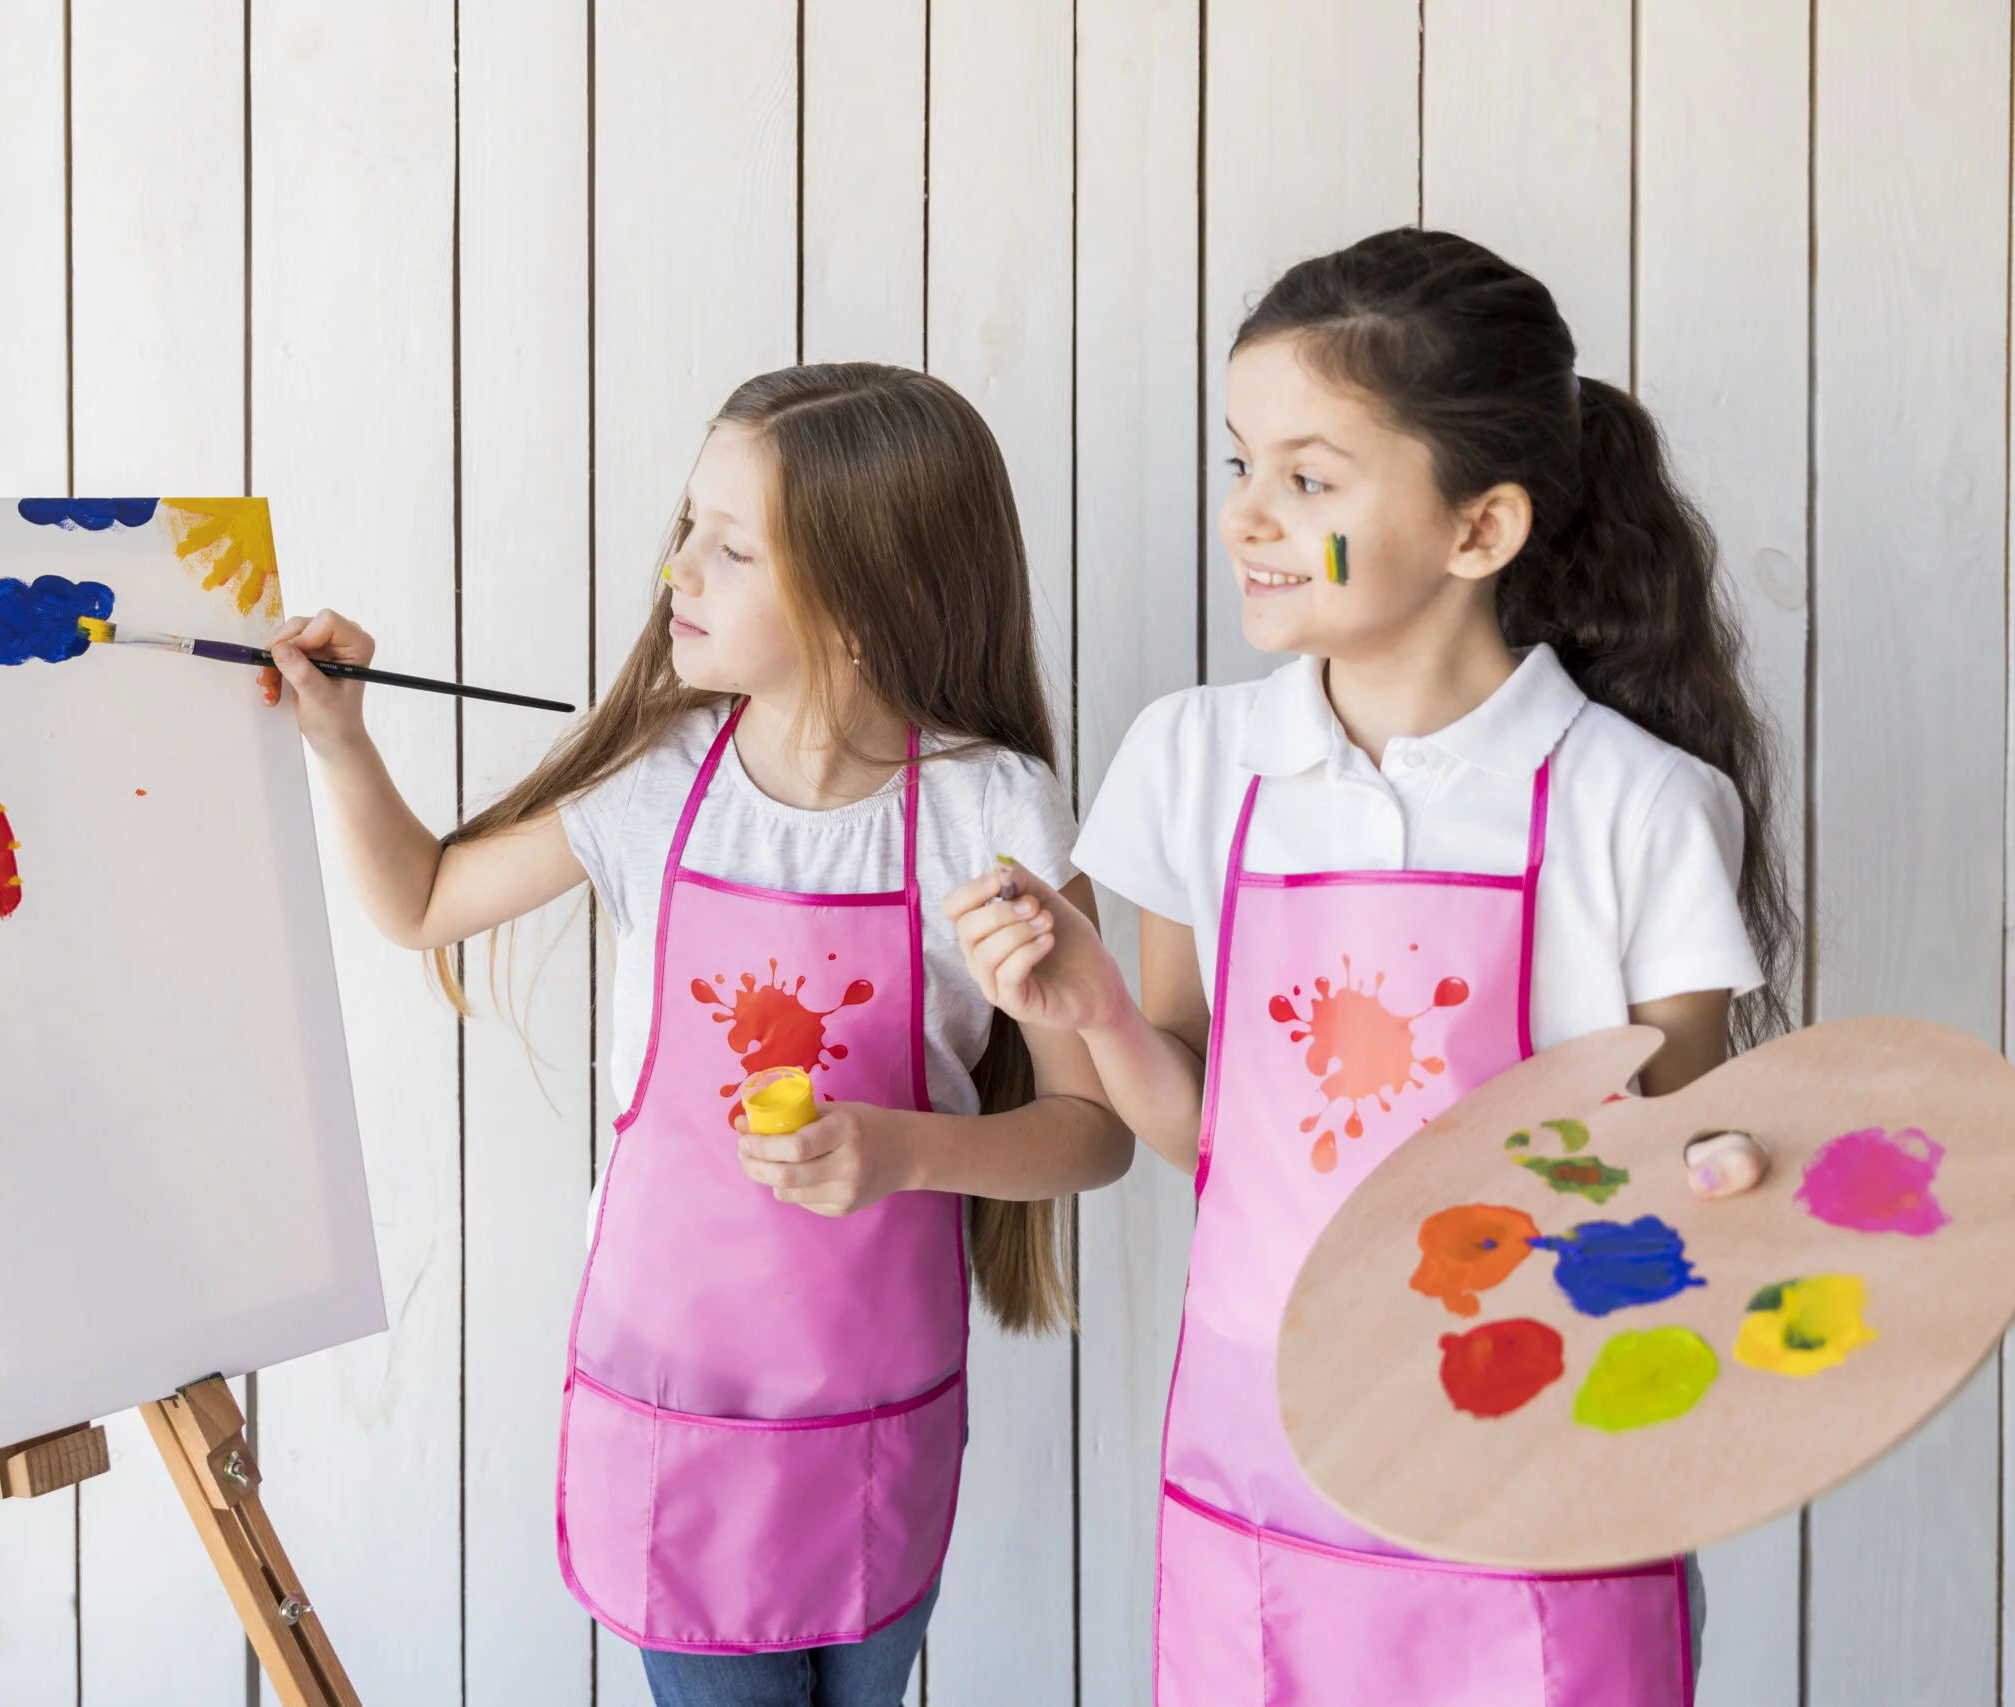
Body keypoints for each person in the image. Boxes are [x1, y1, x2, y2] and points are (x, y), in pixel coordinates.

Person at [949, 228, 1790, 1705]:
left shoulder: (1633, 805)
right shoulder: (1199, 760)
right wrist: (1090, 1012)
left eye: (1308, 478)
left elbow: (1672, 1170)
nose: (1247, 517)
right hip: (1262, 1467)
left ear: (1481, 531)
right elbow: (1207, 1132)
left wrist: (1732, 1171)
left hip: (1539, 1472)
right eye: (1240, 465)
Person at [262, 362, 1133, 1707]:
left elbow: (1093, 1132)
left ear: (869, 594)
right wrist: (338, 739)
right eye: (689, 527)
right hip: (674, 1413)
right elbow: (422, 902)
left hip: (877, 1418)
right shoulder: (657, 784)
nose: (678, 566)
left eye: (730, 547)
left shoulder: (991, 808)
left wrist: (903, 1152)